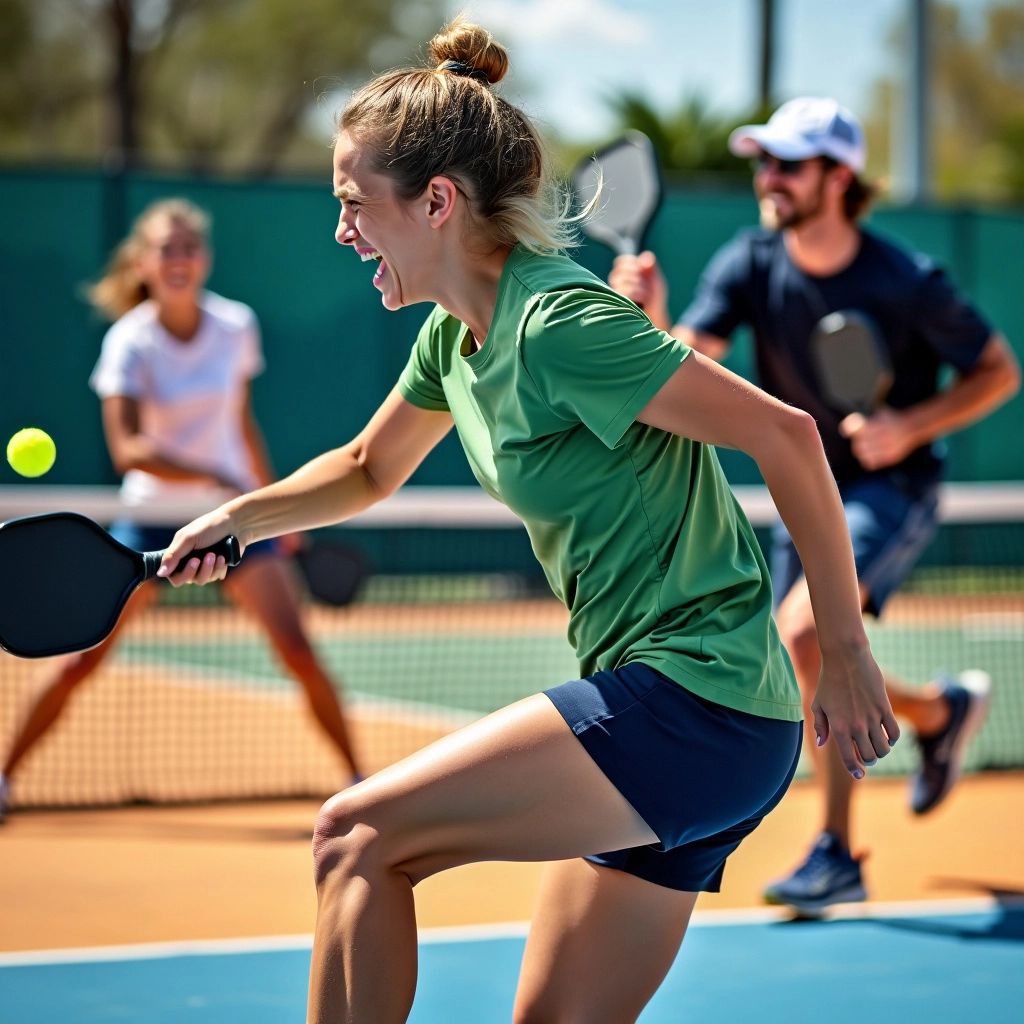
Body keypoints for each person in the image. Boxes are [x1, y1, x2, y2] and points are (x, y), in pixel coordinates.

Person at [156, 22, 898, 1023]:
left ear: (436, 201)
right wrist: (239, 516)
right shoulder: (454, 340)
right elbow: (370, 467)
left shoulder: (560, 324)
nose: (341, 229)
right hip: (696, 718)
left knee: (356, 835)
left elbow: (789, 438)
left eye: (352, 204)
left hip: (697, 700)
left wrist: (844, 648)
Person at [608, 96, 1020, 915]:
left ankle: (836, 848)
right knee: (807, 654)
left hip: (889, 491)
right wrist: (646, 313)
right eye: (763, 161)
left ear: (839, 177)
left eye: (788, 164)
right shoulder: (750, 262)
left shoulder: (906, 280)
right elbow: (685, 361)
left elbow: (998, 370)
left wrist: (911, 423)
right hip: (803, 488)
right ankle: (940, 713)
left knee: (805, 631)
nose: (769, 178)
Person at [0, 198, 363, 822]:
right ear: (143, 262)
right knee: (81, 661)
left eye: (188, 248)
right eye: (166, 249)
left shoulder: (236, 326)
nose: (179, 259)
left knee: (299, 650)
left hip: (232, 519)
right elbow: (128, 449)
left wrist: (276, 505)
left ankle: (359, 780)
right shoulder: (128, 341)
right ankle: (5, 778)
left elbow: (242, 422)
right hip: (150, 523)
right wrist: (213, 473)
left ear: (204, 260)